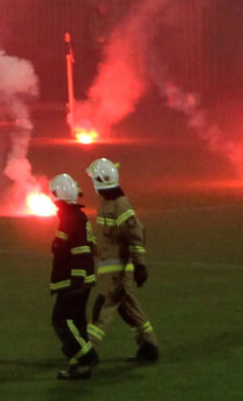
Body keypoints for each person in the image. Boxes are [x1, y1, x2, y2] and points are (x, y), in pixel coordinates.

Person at [85, 156, 159, 363]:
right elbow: (108, 238)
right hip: (112, 269)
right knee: (130, 311)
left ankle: (86, 353)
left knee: (102, 310)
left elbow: (135, 232)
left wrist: (140, 264)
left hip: (115, 273)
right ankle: (149, 345)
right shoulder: (109, 203)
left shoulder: (119, 204)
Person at [47, 172, 100, 380]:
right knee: (77, 323)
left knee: (61, 320)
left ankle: (86, 357)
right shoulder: (77, 216)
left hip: (73, 280)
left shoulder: (70, 217)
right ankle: (80, 367)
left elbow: (78, 250)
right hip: (81, 279)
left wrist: (76, 279)